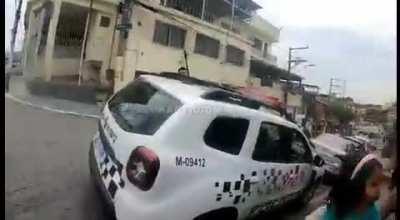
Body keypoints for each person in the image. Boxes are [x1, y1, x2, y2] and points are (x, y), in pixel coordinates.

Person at [322, 153, 387, 220]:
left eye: (380, 183)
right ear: (356, 186)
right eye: (374, 184)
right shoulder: (336, 207)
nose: (379, 190)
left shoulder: (372, 213)